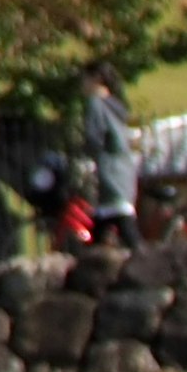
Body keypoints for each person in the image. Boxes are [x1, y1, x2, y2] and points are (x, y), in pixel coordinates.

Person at [82, 66, 140, 252]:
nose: (82, 84)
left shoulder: (95, 104)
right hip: (123, 171)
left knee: (124, 225)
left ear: (95, 79)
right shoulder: (115, 106)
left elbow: (94, 138)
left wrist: (83, 158)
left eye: (84, 79)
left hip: (109, 173)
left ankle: (146, 262)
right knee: (103, 225)